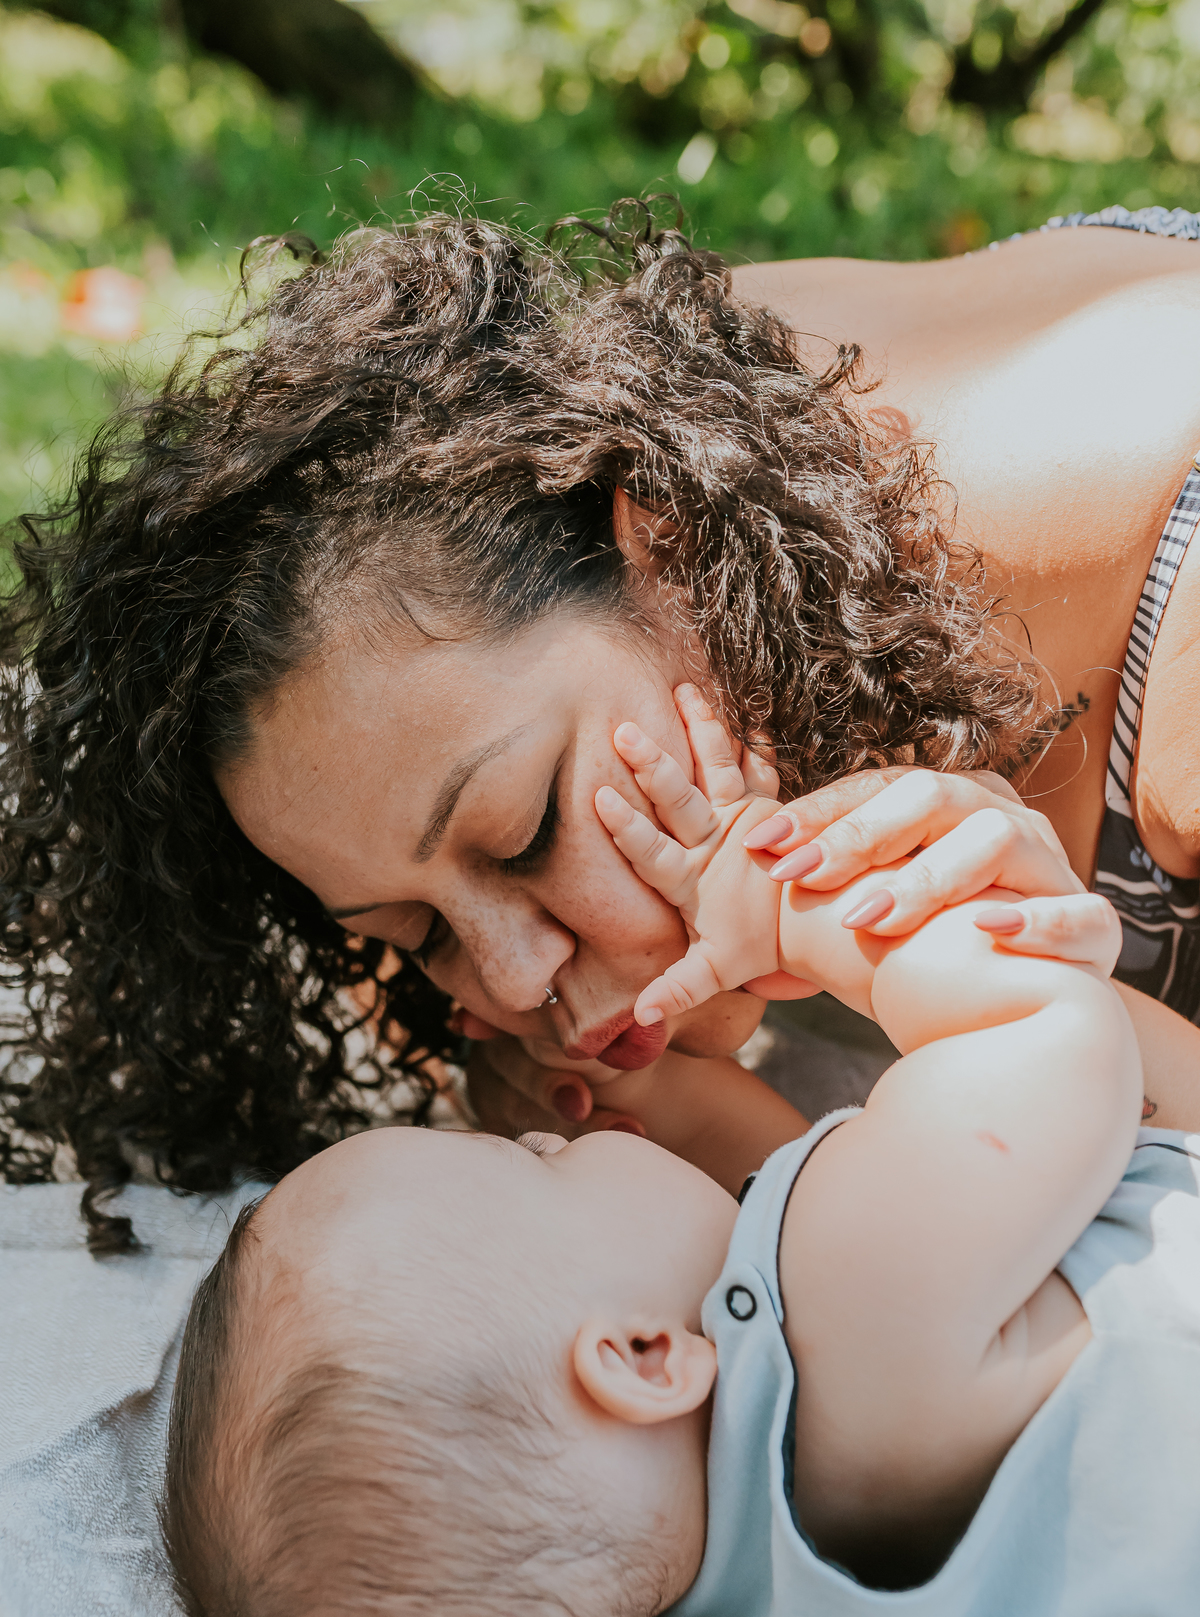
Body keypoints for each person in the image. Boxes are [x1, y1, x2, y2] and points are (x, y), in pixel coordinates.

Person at [7, 201, 1200, 1248]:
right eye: (416, 929)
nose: (521, 985)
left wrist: (1028, 993)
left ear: (670, 547)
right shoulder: (631, 426)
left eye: (524, 833)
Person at [161, 704, 1200, 1617]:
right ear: (643, 1357)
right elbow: (1050, 1032)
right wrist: (789, 917)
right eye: (533, 1166)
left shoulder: (771, 1587)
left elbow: (797, 1184)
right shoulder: (854, 1298)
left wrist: (661, 1094)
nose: (547, 1139)